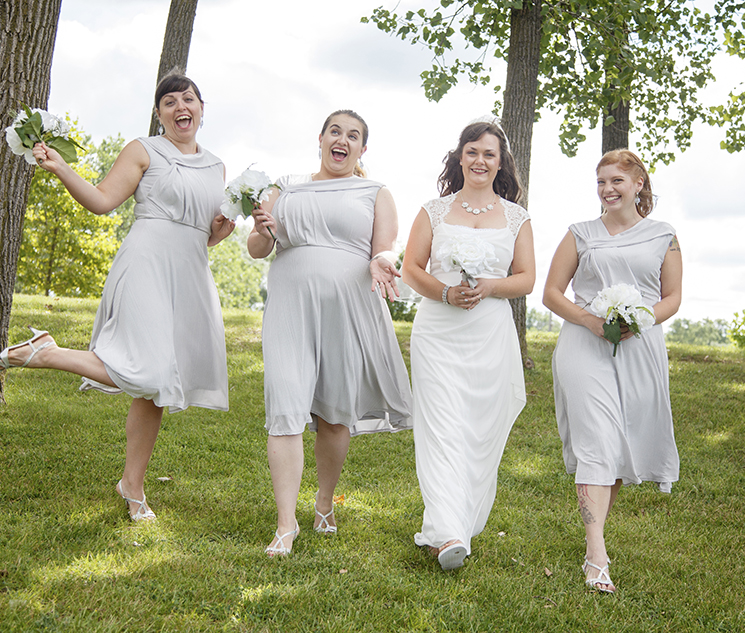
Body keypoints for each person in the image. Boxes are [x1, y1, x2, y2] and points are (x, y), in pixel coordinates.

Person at [0, 72, 235, 522]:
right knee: (150, 371)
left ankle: (132, 486)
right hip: (145, 265)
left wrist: (219, 232)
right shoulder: (144, 150)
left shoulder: (218, 167)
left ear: (202, 108)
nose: (181, 107)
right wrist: (62, 167)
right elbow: (103, 201)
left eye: (189, 99)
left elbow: (201, 238)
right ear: (159, 114)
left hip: (189, 276)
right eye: (169, 102)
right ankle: (47, 352)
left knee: (156, 390)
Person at [247, 110, 412, 557]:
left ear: (362, 149)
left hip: (347, 309)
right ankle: (285, 524)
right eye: (335, 132)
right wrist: (262, 231)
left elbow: (385, 246)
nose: (342, 140)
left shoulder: (374, 192)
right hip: (289, 308)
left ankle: (323, 503)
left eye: (353, 136)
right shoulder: (286, 185)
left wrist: (382, 260)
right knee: (285, 403)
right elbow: (257, 248)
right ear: (320, 138)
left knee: (335, 413)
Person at [542, 148, 682, 593]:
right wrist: (592, 321)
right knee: (596, 441)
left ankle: (594, 540)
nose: (607, 190)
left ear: (638, 183)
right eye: (600, 182)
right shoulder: (580, 233)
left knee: (618, 446)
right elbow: (551, 293)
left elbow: (672, 297)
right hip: (584, 343)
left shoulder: (664, 235)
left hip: (640, 346)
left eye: (616, 181)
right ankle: (596, 553)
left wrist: (636, 321)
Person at [400, 119, 535, 571]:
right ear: (460, 157)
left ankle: (460, 517)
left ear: (501, 163)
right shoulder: (433, 211)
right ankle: (448, 532)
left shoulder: (517, 217)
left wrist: (489, 287)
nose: (480, 160)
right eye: (472, 151)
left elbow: (527, 279)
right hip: (438, 331)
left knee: (477, 429)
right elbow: (411, 268)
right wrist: (445, 292)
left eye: (489, 154)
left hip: (489, 334)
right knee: (441, 426)